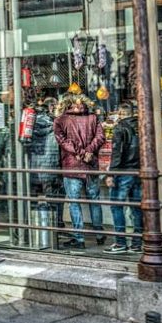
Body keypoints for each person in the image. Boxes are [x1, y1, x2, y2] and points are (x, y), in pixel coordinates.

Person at [53, 93, 105, 249]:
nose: (79, 106)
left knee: (74, 202)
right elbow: (101, 137)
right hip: (90, 165)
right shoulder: (93, 118)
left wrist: (81, 153)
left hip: (72, 166)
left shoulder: (60, 120)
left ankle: (79, 237)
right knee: (94, 200)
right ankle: (99, 233)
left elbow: (63, 142)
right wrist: (88, 152)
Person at [105, 103, 142, 253]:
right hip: (139, 171)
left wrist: (111, 174)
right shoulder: (142, 126)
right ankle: (137, 243)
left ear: (120, 113)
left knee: (116, 206)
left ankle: (120, 242)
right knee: (137, 209)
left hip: (123, 171)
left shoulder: (120, 128)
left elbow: (117, 153)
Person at [25, 98, 63, 231]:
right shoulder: (55, 126)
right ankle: (56, 223)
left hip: (33, 166)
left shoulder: (29, 127)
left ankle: (33, 224)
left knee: (33, 196)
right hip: (51, 166)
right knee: (54, 197)